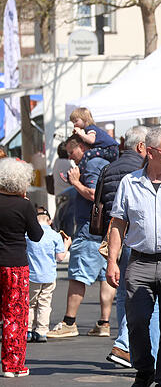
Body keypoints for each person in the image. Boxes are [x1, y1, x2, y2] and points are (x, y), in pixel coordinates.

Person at [106, 127, 161, 387]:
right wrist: (112, 261)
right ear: (150, 151)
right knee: (137, 321)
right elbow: (118, 223)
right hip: (139, 261)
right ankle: (144, 369)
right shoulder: (130, 183)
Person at [99, 126, 160, 368]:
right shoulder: (141, 171)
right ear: (141, 147)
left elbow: (102, 205)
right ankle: (126, 345)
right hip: (136, 239)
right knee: (146, 297)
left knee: (125, 296)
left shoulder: (108, 167)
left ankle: (131, 350)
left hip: (115, 237)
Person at [47, 135, 116, 338]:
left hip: (90, 229)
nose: (70, 158)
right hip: (105, 229)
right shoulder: (103, 161)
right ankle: (104, 322)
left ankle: (70, 321)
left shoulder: (92, 164)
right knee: (106, 276)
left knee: (78, 276)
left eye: (72, 152)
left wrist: (75, 182)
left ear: (83, 147)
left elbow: (94, 194)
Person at [0, 158, 43, 377]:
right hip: (15, 265)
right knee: (14, 315)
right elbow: (37, 235)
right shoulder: (24, 205)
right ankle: (12, 365)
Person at [26, 207, 70, 343]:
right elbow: (60, 257)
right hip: (49, 276)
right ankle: (41, 331)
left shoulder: (27, 235)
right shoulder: (55, 235)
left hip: (32, 275)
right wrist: (67, 244)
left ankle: (27, 330)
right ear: (50, 221)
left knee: (30, 304)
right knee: (44, 303)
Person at [69, 107, 120, 172]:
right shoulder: (89, 129)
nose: (74, 124)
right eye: (73, 122)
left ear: (85, 119)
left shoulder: (90, 128)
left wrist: (81, 134)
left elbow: (91, 140)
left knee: (87, 154)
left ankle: (78, 172)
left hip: (110, 150)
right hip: (111, 150)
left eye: (76, 121)